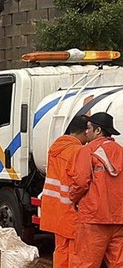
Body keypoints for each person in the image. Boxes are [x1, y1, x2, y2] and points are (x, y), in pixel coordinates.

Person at [69, 112, 123, 267]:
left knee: (84, 263)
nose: (86, 132)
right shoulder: (121, 151)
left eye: (88, 128)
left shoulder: (87, 151)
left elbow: (79, 183)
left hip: (93, 219)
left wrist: (72, 199)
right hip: (119, 219)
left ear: (97, 131)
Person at [40, 115, 89, 268]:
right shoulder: (77, 151)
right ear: (85, 132)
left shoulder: (56, 147)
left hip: (54, 209)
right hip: (70, 209)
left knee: (60, 249)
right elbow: (80, 182)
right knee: (74, 251)